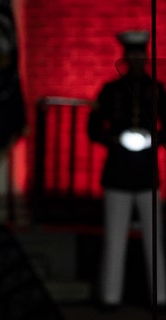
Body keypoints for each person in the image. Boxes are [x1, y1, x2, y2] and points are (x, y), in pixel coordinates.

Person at [87, 29, 166, 309]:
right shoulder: (111, 91)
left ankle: (159, 296)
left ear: (145, 56)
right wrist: (115, 139)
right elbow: (93, 127)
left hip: (146, 173)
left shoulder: (156, 89)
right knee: (114, 238)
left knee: (153, 239)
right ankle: (110, 297)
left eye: (139, 53)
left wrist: (152, 140)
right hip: (118, 172)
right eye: (131, 53)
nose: (135, 58)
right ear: (125, 55)